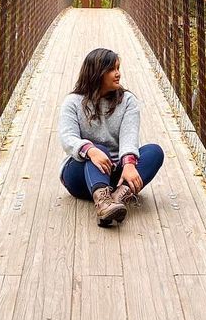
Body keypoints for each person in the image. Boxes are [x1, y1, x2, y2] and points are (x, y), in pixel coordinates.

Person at [59, 48, 165, 227]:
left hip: (117, 175)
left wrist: (129, 164)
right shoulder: (73, 102)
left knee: (155, 152)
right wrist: (90, 151)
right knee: (97, 149)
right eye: (112, 69)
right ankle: (103, 201)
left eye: (118, 68)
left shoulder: (128, 101)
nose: (118, 74)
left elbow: (129, 136)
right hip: (81, 177)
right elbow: (67, 138)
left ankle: (116, 198)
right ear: (97, 73)